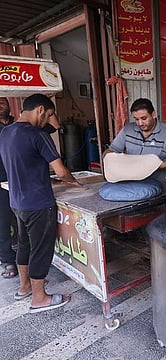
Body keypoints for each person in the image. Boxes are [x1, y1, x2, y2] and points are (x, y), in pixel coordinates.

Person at [0, 93, 81, 313]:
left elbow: (25, 166)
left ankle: (24, 287)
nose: (48, 121)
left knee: (24, 245)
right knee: (41, 250)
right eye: (49, 115)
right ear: (39, 110)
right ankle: (39, 298)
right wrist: (74, 182)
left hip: (17, 202)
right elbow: (61, 170)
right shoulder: (37, 134)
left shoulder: (6, 132)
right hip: (38, 204)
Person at [103, 98, 166, 205]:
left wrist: (156, 165)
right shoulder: (127, 130)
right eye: (136, 119)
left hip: (162, 186)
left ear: (153, 114)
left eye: (144, 118)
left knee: (162, 218)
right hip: (134, 184)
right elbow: (111, 150)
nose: (140, 123)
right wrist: (110, 160)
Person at [0, 97, 17, 278]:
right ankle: (7, 260)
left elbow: (54, 126)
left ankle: (24, 256)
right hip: (0, 182)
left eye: (2, 102)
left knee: (22, 219)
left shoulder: (17, 124)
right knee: (2, 222)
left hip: (19, 180)